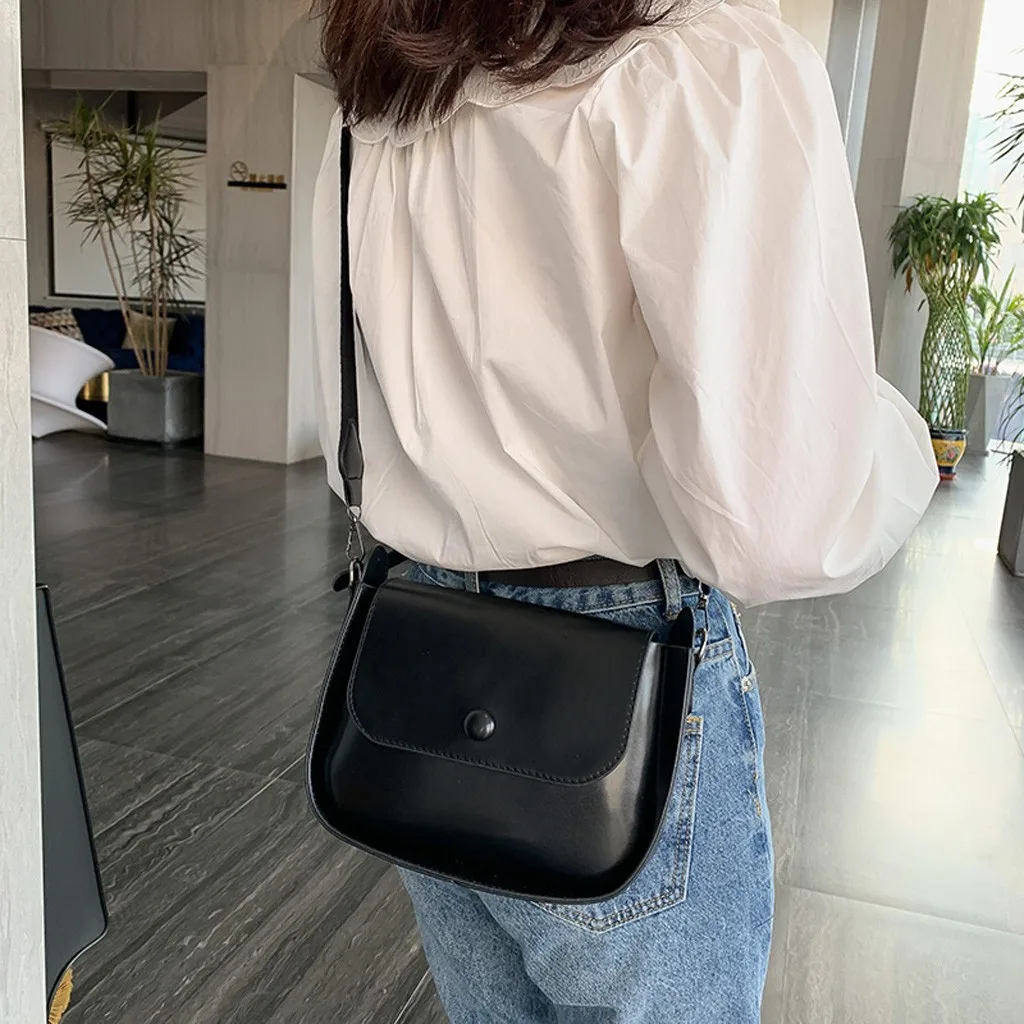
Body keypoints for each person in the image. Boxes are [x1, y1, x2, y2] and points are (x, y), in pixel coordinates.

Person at [311, 0, 940, 1020]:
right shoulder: (703, 64)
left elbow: (345, 411)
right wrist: (898, 443)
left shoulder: (383, 85)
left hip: (416, 648)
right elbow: (781, 520)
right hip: (617, 666)